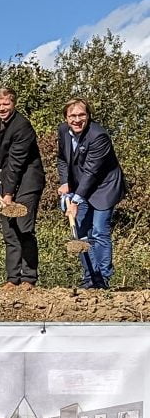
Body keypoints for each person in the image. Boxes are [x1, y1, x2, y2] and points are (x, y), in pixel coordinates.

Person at [57, 98, 126, 289]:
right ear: (66, 118)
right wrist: (65, 183)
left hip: (104, 187)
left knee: (98, 230)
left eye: (82, 115)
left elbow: (92, 172)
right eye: (72, 116)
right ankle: (89, 278)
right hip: (81, 186)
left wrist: (75, 201)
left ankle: (102, 279)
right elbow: (62, 159)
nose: (77, 119)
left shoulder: (98, 136)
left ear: (88, 116)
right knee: (81, 233)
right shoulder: (63, 131)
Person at [0, 87, 45, 289]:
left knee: (23, 227)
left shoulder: (23, 126)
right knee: (9, 231)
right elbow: (0, 158)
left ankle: (29, 278)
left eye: (6, 104)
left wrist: (9, 194)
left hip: (28, 181)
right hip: (8, 181)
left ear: (14, 104)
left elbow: (16, 162)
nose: (2, 108)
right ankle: (12, 279)